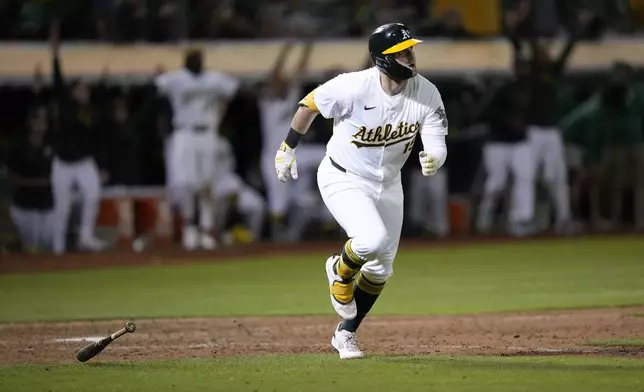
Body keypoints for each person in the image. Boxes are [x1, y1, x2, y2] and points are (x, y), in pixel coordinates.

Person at [274, 23, 448, 359]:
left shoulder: (426, 92)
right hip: (344, 176)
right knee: (371, 240)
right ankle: (339, 270)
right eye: (403, 52)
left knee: (382, 268)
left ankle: (345, 335)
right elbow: (309, 104)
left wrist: (434, 158)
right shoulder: (354, 86)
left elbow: (436, 139)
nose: (411, 57)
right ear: (384, 59)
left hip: (389, 183)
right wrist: (287, 147)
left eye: (411, 50)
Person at [155, 47, 240, 250]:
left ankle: (205, 229)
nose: (197, 62)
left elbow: (232, 89)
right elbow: (158, 84)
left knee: (206, 183)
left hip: (208, 132)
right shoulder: (177, 78)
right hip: (184, 132)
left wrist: (219, 107)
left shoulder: (213, 78)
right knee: (185, 183)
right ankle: (189, 226)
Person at [48, 21, 108, 255]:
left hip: (84, 161)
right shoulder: (65, 104)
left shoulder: (91, 110)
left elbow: (100, 128)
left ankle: (85, 236)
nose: (85, 93)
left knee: (93, 194)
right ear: (73, 92)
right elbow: (57, 79)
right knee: (61, 206)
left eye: (87, 90)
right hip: (62, 162)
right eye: (81, 89)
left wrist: (103, 80)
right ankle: (58, 246)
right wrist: (55, 54)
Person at [258, 41, 313, 241]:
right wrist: (286, 51)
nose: (282, 82)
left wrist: (308, 48)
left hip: (295, 154)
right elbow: (274, 75)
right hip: (274, 157)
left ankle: (292, 235)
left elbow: (299, 75)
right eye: (279, 81)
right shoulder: (267, 101)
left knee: (305, 200)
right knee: (277, 202)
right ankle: (276, 238)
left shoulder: (290, 98)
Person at [475, 58, 534, 236]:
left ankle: (521, 220)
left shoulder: (531, 88)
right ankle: (485, 216)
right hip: (497, 142)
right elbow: (483, 112)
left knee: (525, 178)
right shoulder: (502, 88)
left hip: (520, 142)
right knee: (496, 183)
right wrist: (505, 120)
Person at [5, 106, 54, 253]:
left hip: (47, 206)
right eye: (37, 120)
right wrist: (39, 183)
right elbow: (12, 178)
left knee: (47, 246)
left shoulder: (51, 145)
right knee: (30, 249)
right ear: (30, 122)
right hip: (25, 207)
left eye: (44, 120)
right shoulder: (19, 146)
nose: (41, 124)